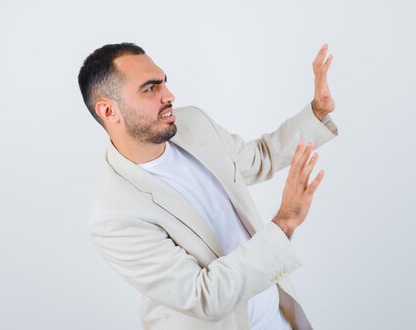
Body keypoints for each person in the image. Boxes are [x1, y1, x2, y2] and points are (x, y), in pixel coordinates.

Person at [77, 42, 338, 330]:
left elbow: (258, 157)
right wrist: (284, 222)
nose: (169, 95)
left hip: (279, 320)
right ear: (108, 111)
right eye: (150, 88)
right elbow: (205, 297)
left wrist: (316, 112)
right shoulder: (113, 216)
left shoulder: (191, 123)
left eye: (164, 82)